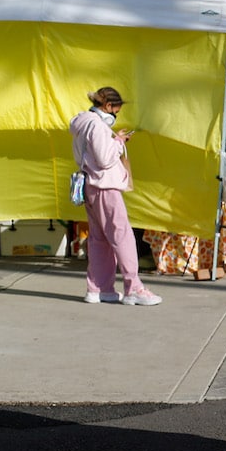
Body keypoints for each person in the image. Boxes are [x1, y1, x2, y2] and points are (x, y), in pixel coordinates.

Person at [69, 87, 161, 306]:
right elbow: (103, 159)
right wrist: (118, 143)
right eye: (116, 111)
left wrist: (115, 140)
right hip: (105, 186)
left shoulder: (82, 123)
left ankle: (99, 289)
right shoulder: (97, 126)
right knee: (122, 235)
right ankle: (134, 288)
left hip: (91, 186)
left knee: (99, 239)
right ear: (108, 106)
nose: (115, 115)